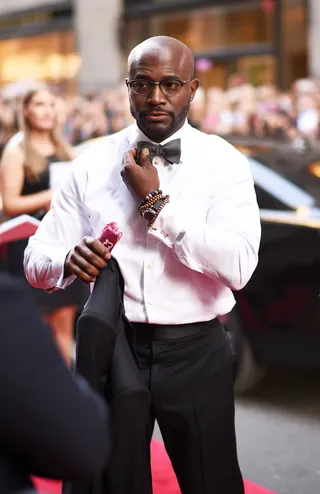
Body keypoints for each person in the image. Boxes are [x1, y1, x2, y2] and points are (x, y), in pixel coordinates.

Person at [24, 36, 261, 494]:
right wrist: (66, 260)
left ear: (192, 89)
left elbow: (239, 267)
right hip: (114, 348)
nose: (156, 97)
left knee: (211, 482)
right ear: (127, 88)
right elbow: (37, 257)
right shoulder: (91, 162)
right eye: (143, 84)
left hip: (197, 349)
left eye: (170, 84)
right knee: (113, 483)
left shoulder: (223, 163)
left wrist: (157, 206)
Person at [0, 88, 89, 365]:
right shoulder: (16, 151)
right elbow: (10, 203)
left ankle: (69, 395)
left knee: (65, 323)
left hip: (62, 242)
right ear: (26, 111)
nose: (47, 110)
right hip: (27, 245)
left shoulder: (64, 148)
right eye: (40, 104)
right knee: (37, 327)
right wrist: (50, 196)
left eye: (51, 104)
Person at [0, 272, 110, 494]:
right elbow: (80, 445)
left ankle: (59, 383)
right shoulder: (7, 300)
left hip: (65, 278)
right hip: (42, 270)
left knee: (62, 328)